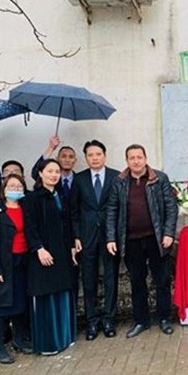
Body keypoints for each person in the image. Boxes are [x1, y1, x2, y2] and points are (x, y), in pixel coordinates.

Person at [106, 145, 178, 338]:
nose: (136, 161)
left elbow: (171, 208)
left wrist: (169, 233)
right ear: (127, 160)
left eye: (139, 157)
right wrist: (111, 237)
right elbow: (112, 210)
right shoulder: (119, 182)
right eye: (132, 158)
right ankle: (141, 321)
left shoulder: (160, 179)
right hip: (131, 241)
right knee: (137, 282)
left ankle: (164, 318)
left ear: (146, 158)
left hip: (157, 239)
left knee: (162, 280)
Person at [23, 159, 76, 355]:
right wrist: (39, 248)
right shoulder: (33, 198)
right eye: (50, 171)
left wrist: (72, 244)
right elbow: (30, 227)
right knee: (47, 296)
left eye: (57, 171)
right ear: (41, 174)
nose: (54, 175)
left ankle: (65, 337)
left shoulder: (61, 195)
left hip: (62, 253)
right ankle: (49, 342)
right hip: (44, 254)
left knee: (63, 292)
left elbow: (67, 223)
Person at [70, 140, 120, 340]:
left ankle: (109, 319)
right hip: (86, 236)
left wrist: (115, 234)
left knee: (110, 278)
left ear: (104, 155)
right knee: (88, 280)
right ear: (86, 157)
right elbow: (73, 210)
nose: (95, 158)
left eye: (98, 154)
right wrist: (76, 236)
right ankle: (92, 322)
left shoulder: (116, 177)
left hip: (110, 236)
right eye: (90, 155)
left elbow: (120, 208)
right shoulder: (79, 179)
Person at [0, 174, 34, 364]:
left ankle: (19, 340)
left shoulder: (25, 207)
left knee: (20, 303)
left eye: (19, 186)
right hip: (3, 263)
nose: (15, 189)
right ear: (3, 189)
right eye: (11, 186)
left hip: (23, 260)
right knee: (1, 306)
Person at [31, 135, 77, 200]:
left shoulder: (81, 180)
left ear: (75, 161)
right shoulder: (51, 179)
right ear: (57, 159)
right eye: (63, 156)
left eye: (71, 157)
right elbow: (35, 172)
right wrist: (51, 148)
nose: (67, 160)